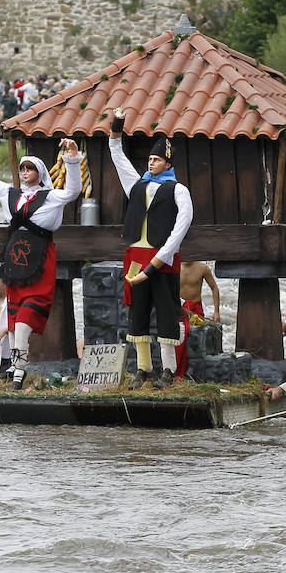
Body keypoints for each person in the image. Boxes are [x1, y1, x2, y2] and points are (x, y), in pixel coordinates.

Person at [0, 129, 81, 390]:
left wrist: (72, 158)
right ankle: (16, 368)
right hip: (15, 259)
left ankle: (18, 369)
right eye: (22, 168)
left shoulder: (52, 196)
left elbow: (73, 191)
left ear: (39, 172)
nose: (25, 172)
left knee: (25, 317)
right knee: (14, 320)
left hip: (40, 260)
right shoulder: (10, 194)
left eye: (30, 168)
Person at [111, 110, 193, 388]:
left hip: (164, 259)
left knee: (168, 312)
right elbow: (117, 157)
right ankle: (143, 369)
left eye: (156, 159)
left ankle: (168, 370)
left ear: (167, 162)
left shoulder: (179, 190)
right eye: (149, 159)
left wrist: (158, 260)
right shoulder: (137, 184)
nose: (151, 162)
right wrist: (116, 129)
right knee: (138, 311)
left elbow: (181, 228)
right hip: (135, 256)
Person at [179, 260, 220, 378]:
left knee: (194, 336)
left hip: (195, 308)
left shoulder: (203, 268)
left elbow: (214, 288)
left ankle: (192, 372)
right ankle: (178, 371)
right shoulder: (175, 266)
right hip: (180, 308)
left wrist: (216, 312)